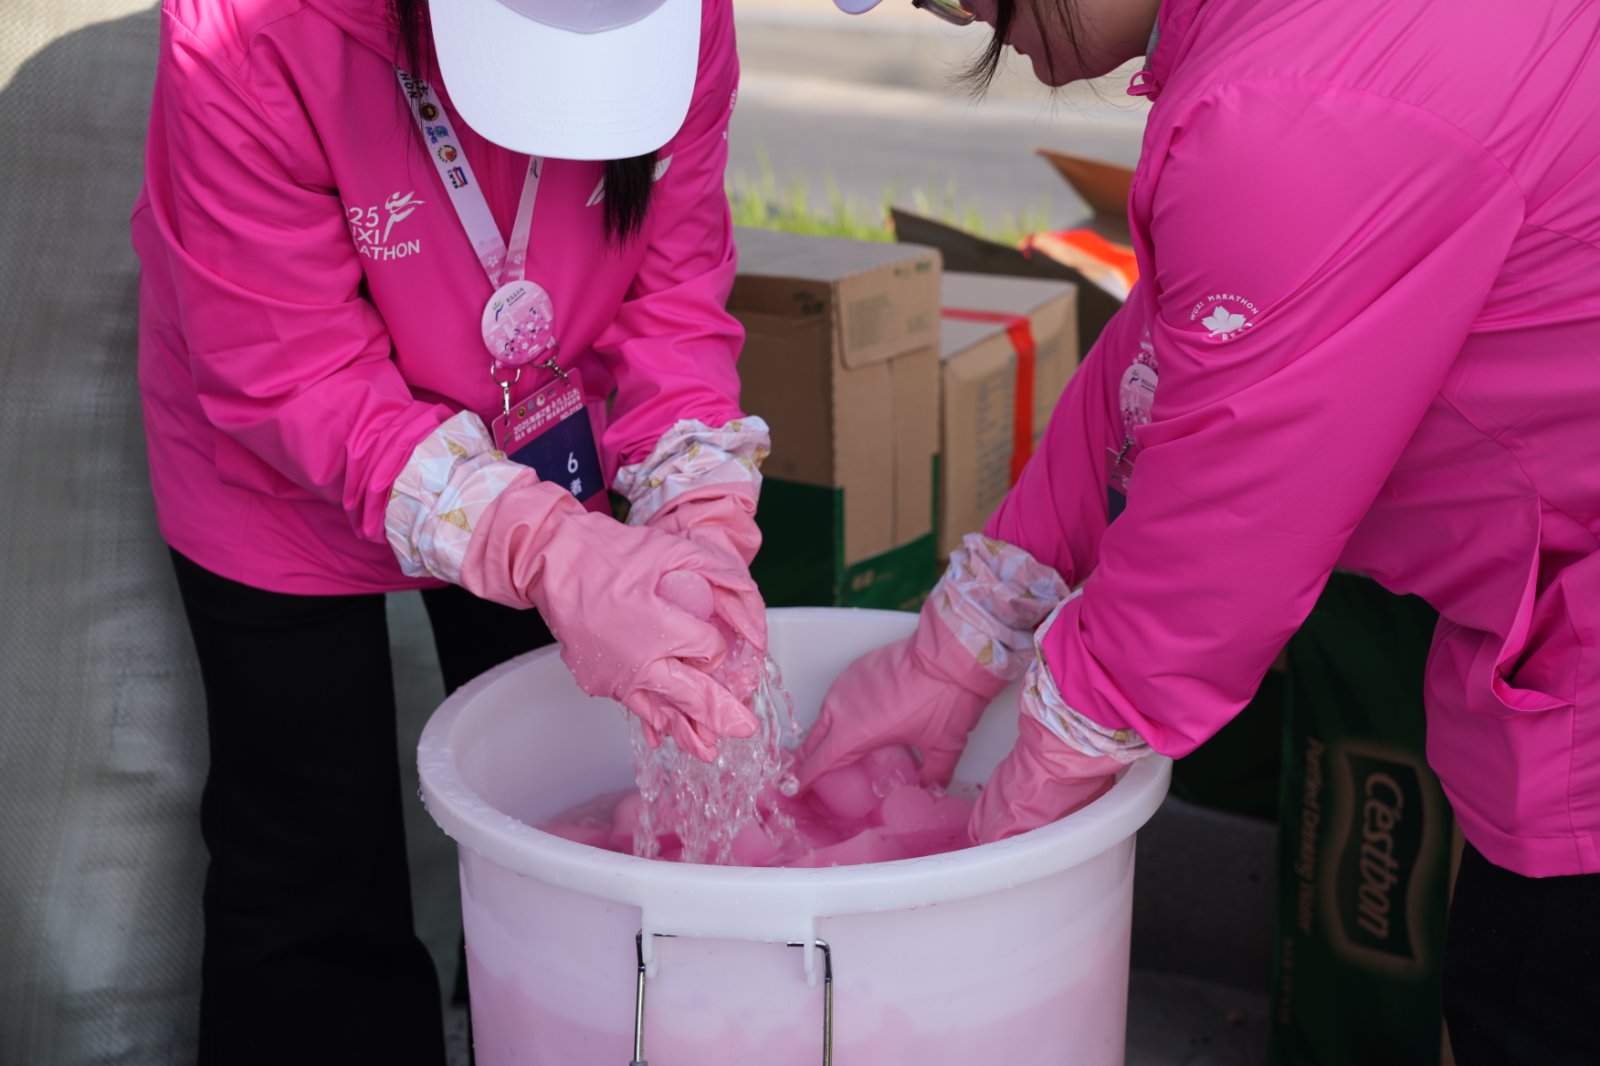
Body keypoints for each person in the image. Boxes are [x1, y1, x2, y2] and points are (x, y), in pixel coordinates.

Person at [800, 0, 1600, 1061]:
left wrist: (1029, 796)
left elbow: (1221, 543)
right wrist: (971, 628)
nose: (930, 5)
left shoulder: (1294, 110)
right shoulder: (1288, 48)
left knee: (1531, 1004)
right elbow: (1179, 346)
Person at [132, 0, 767, 1059]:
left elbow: (673, 288)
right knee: (309, 855)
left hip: (543, 424)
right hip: (277, 457)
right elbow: (289, 367)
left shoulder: (680, 17)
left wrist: (697, 503)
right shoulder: (248, 31)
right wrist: (544, 547)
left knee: (557, 818)